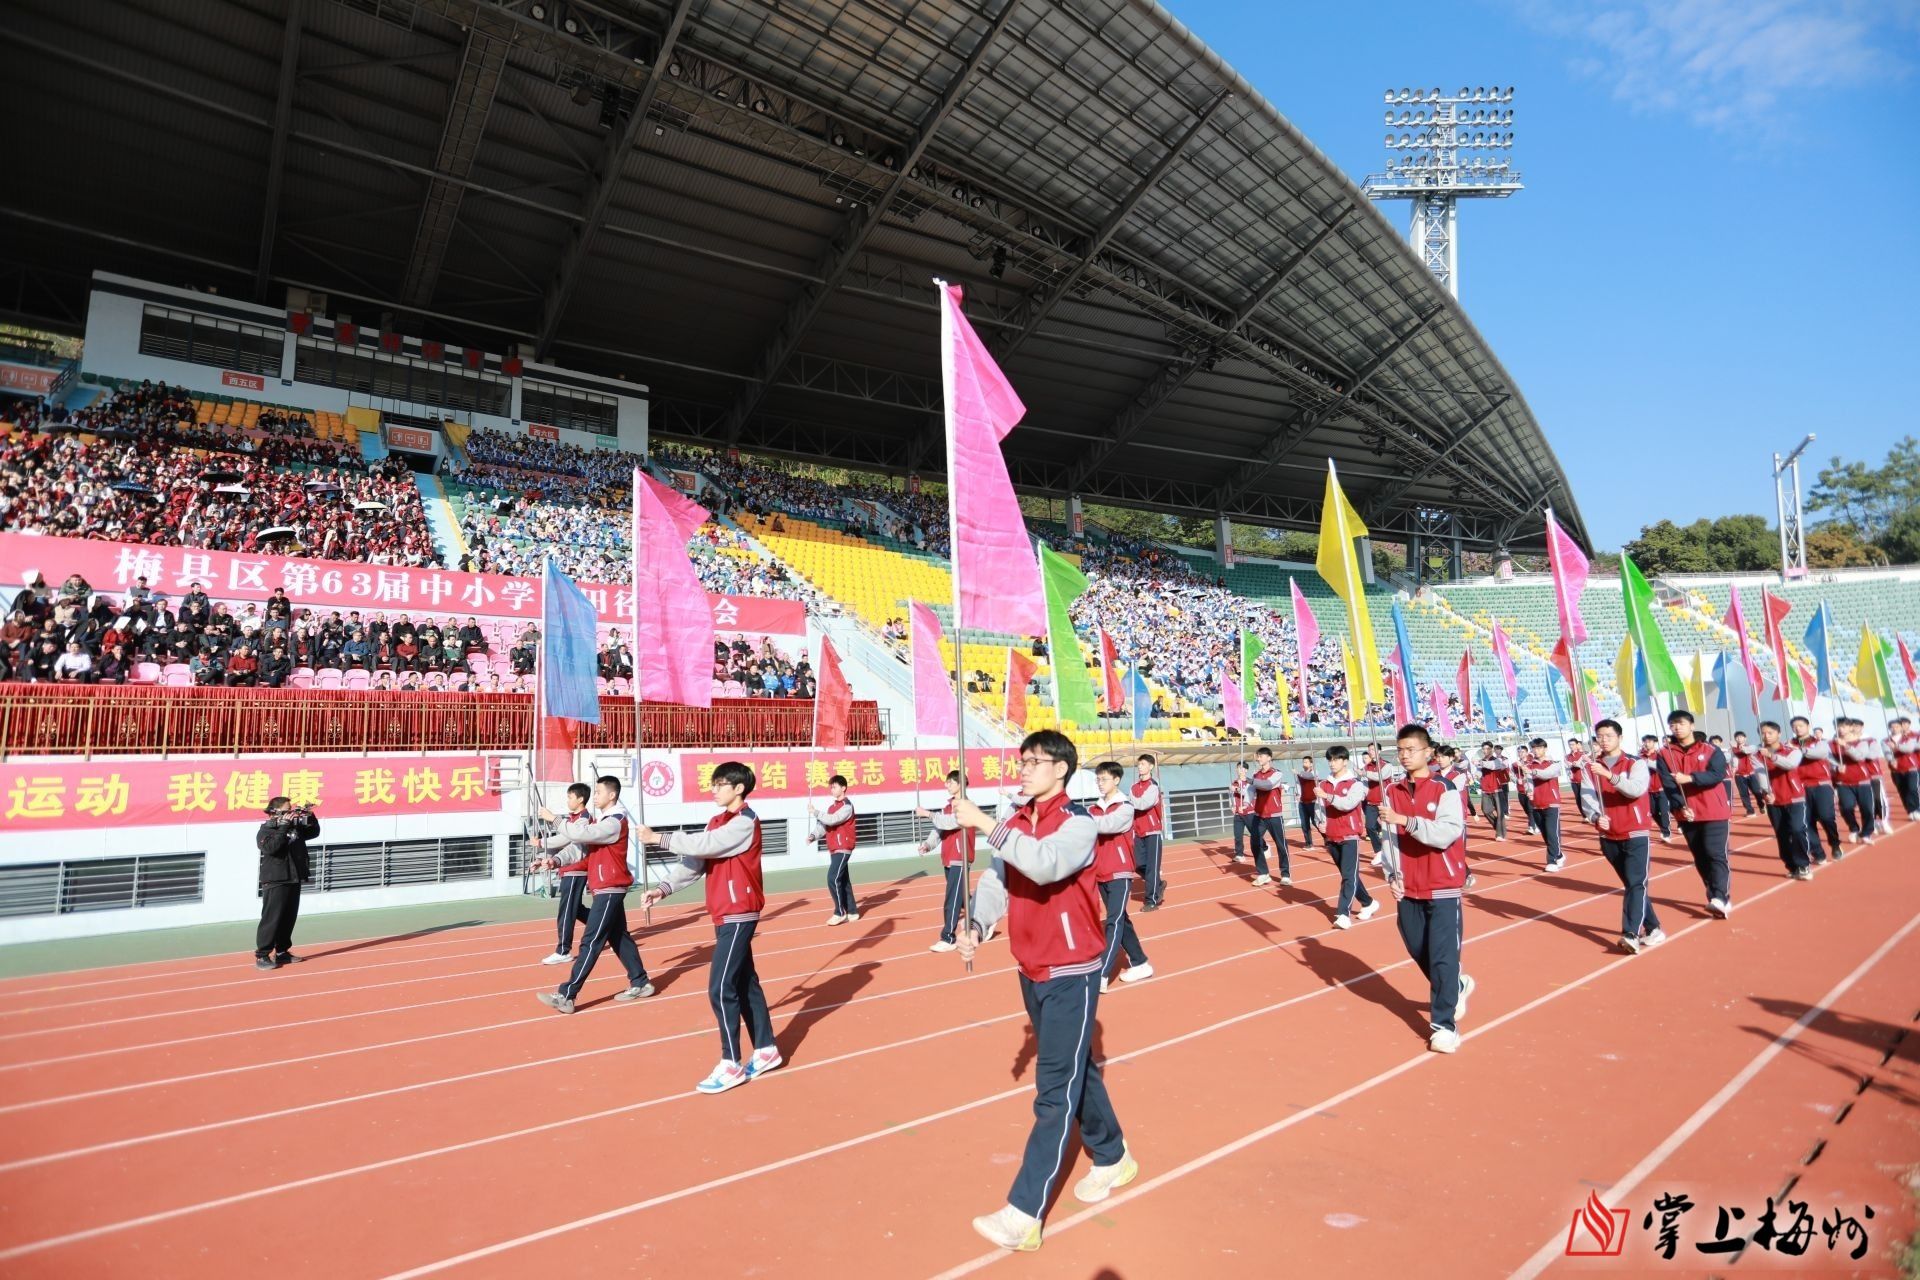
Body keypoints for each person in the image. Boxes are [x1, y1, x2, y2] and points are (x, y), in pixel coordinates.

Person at [949, 730, 1136, 1252]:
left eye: (1036, 761)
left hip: (1072, 971)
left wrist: (984, 823)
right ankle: (1113, 1155)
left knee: (1054, 1090)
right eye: (1023, 761)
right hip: (1030, 967)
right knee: (1077, 1071)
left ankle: (1024, 1213)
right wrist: (978, 924)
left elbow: (1043, 863)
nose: (1026, 769)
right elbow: (999, 879)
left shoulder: (1079, 823)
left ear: (1061, 769)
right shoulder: (1014, 822)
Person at [639, 761, 782, 1095]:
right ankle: (766, 1049)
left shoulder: (744, 822)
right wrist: (663, 889)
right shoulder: (718, 821)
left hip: (739, 912)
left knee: (720, 988)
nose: (713, 790)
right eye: (713, 784)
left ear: (739, 788)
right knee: (745, 984)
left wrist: (658, 837)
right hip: (724, 912)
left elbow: (704, 845)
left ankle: (731, 1063)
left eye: (720, 784)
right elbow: (695, 863)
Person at [1378, 724, 1473, 1053]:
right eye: (1400, 750)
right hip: (1408, 886)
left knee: (1444, 957)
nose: (1404, 756)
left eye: (1411, 749)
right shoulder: (1392, 791)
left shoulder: (1444, 788)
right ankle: (1456, 985)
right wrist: (1392, 874)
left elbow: (1446, 833)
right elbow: (1388, 838)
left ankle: (1444, 1025)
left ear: (1428, 752)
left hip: (1442, 884)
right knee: (1418, 948)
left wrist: (1406, 820)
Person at [531, 776, 654, 1012]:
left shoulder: (614, 822)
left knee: (591, 941)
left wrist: (554, 819)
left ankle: (567, 995)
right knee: (619, 937)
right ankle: (640, 982)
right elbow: (581, 851)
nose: (594, 796)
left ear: (612, 795)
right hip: (604, 888)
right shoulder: (603, 822)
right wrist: (554, 861)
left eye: (598, 792)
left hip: (610, 889)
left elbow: (581, 835)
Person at [1580, 720, 1668, 952]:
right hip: (1608, 835)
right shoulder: (1591, 767)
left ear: (1619, 737)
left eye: (1608, 735)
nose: (1604, 740)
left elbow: (1635, 790)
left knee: (1636, 883)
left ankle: (1630, 933)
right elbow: (1587, 796)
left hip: (1635, 831)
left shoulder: (1635, 763)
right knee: (1632, 884)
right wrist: (1595, 816)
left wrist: (1609, 776)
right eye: (1600, 736)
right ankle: (1654, 928)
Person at [1656, 709, 1732, 917]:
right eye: (1672, 724)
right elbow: (1668, 783)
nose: (1676, 728)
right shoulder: (1665, 754)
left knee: (1715, 853)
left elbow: (1717, 774)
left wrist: (1690, 778)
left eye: (1680, 723)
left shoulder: (1710, 750)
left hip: (1713, 810)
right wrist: (1681, 806)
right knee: (1700, 856)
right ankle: (1714, 893)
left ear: (1691, 725)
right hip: (1687, 814)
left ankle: (1720, 897)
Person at [1089, 760, 1153, 991]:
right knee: (1121, 920)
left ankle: (1101, 974)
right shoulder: (1093, 809)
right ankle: (1141, 963)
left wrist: (1079, 819)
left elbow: (1108, 825)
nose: (1100, 783)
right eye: (1098, 779)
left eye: (1104, 779)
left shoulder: (1125, 807)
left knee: (1113, 921)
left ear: (1116, 780)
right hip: (1100, 872)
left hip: (1120, 871)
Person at [255, 796, 319, 971]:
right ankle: (262, 955)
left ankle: (282, 951)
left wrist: (310, 815)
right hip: (276, 879)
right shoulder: (265, 830)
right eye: (287, 811)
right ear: (274, 812)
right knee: (272, 919)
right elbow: (271, 848)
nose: (290, 814)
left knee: (288, 918)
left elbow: (313, 832)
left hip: (293, 877)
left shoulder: (294, 828)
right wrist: (283, 827)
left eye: (291, 811)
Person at [1317, 745, 1378, 929]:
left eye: (1336, 759)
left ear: (1345, 761)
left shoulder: (1355, 784)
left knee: (1348, 877)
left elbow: (1348, 804)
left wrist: (1328, 796)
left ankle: (1343, 914)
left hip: (1350, 835)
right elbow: (1319, 808)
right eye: (1330, 760)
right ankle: (1368, 902)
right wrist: (1320, 822)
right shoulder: (1323, 784)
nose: (1332, 763)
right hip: (1331, 835)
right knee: (1348, 875)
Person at [915, 770, 974, 954]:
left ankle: (948, 937)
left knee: (952, 899)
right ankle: (984, 916)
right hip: (949, 857)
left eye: (950, 782)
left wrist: (927, 814)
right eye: (946, 782)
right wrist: (928, 845)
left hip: (960, 857)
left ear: (960, 784)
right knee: (962, 897)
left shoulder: (966, 805)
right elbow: (939, 829)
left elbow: (950, 822)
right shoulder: (948, 806)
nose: (946, 785)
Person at [1754, 721, 1813, 880]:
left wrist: (1772, 756)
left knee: (1797, 829)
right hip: (1774, 800)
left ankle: (1803, 864)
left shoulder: (1792, 750)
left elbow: (1790, 765)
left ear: (1778, 734)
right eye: (1763, 733)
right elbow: (1761, 774)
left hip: (1794, 797)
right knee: (1781, 834)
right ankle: (1792, 865)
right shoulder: (1757, 755)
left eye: (1770, 733)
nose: (1766, 736)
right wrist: (1767, 792)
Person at [1793, 717, 1841, 865]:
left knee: (1826, 817)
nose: (1798, 728)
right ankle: (1818, 852)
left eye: (1801, 725)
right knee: (1806, 822)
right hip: (1801, 788)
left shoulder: (1819, 742)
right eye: (1795, 726)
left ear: (1808, 726)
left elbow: (1818, 754)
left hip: (1821, 785)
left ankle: (1835, 843)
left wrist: (1799, 750)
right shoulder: (1790, 744)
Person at [812, 774, 859, 923]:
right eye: (831, 787)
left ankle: (840, 912)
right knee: (843, 880)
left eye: (834, 787)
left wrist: (816, 812)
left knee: (832, 878)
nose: (832, 789)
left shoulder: (847, 806)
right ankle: (852, 911)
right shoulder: (831, 807)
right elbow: (824, 825)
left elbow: (833, 820)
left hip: (843, 847)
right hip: (834, 847)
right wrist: (813, 835)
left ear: (843, 788)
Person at [1833, 718, 1882, 844]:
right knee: (1846, 807)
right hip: (1843, 782)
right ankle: (1854, 828)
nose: (1840, 729)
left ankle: (1866, 833)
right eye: (1837, 726)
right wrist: (1836, 767)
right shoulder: (1832, 744)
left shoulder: (1861, 742)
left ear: (1851, 727)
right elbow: (1828, 760)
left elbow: (1859, 756)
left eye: (1843, 726)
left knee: (1867, 808)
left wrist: (1846, 746)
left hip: (1862, 781)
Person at [1129, 754, 1168, 910]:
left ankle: (1151, 900)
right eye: (1139, 764)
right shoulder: (1133, 787)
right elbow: (1132, 804)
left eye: (1143, 764)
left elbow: (1143, 804)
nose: (1140, 767)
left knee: (1152, 867)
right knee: (1136, 864)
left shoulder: (1153, 786)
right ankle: (1157, 883)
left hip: (1152, 831)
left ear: (1151, 767)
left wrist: (1131, 801)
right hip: (1138, 831)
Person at [1522, 738, 1567, 873]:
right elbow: (1528, 781)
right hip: (1536, 803)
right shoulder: (1530, 765)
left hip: (1551, 803)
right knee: (1546, 834)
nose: (1536, 751)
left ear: (1545, 748)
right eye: (1534, 748)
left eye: (1539, 748)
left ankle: (1551, 861)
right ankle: (1559, 854)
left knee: (1552, 833)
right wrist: (1529, 790)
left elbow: (1548, 774)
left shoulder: (1554, 763)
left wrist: (1533, 772)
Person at [1247, 749, 1286, 886]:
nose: (1259, 758)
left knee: (1281, 845)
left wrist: (1250, 780)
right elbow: (1251, 791)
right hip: (1259, 814)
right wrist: (1244, 803)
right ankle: (1263, 873)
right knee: (1255, 843)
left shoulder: (1277, 773)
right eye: (1257, 756)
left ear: (1269, 758)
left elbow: (1267, 785)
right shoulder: (1256, 775)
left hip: (1274, 814)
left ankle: (1285, 874)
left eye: (1261, 756)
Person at [1228, 762, 1263, 880]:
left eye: (1242, 768)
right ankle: (1239, 854)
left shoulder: (1249, 782)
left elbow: (1248, 794)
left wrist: (1237, 789)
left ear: (1246, 770)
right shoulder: (1234, 782)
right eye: (1238, 768)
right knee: (1238, 835)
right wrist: (1232, 806)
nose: (1240, 770)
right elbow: (1231, 797)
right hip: (1238, 813)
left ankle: (1264, 847)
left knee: (1255, 833)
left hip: (1249, 812)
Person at [1640, 734, 1675, 843]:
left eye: (1649, 742)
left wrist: (1647, 762)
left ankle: (1666, 833)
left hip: (1661, 788)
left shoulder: (1660, 754)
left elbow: (1659, 767)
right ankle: (1663, 827)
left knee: (1664, 811)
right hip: (1648, 790)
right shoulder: (1641, 756)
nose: (1646, 744)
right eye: (1645, 742)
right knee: (1653, 812)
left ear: (1654, 743)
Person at [1888, 716, 1920, 820]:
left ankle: (1917, 809)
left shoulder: (1913, 736)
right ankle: (1911, 810)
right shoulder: (1887, 740)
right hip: (1897, 769)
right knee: (1903, 790)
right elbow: (1887, 752)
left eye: (1905, 724)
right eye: (1892, 727)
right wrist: (1891, 759)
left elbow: (1911, 747)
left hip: (1913, 765)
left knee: (1913, 788)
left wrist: (1896, 747)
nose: (1895, 729)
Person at [1729, 731, 1763, 816]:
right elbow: (1730, 757)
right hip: (1739, 775)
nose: (1739, 739)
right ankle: (1750, 811)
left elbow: (1743, 752)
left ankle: (1761, 805)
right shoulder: (1732, 750)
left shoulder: (1750, 747)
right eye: (1737, 737)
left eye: (1741, 737)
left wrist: (1734, 748)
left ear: (1745, 738)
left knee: (1756, 791)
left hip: (1751, 773)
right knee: (1744, 794)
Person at [1294, 753, 1320, 856]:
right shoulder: (1300, 775)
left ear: (1311, 764)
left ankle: (1327, 837)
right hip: (1302, 802)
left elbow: (1309, 776)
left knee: (1315, 821)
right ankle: (1309, 843)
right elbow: (1298, 785)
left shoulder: (1314, 772)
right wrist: (1297, 794)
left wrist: (1298, 773)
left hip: (1313, 801)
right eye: (1303, 762)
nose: (1304, 764)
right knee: (1304, 823)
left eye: (1306, 762)